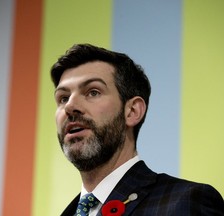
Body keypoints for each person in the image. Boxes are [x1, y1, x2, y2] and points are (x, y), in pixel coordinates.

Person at [50, 43, 224, 216]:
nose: (70, 106)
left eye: (93, 92)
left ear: (132, 111)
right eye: (63, 98)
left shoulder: (185, 202)